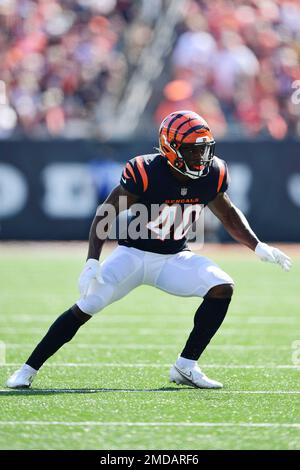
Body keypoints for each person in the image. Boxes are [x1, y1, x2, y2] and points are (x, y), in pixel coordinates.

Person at [6, 110, 291, 390]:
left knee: (222, 286)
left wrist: (257, 245)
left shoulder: (213, 173)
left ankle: (185, 365)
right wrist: (92, 260)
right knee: (88, 305)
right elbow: (106, 214)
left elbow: (227, 214)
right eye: (193, 151)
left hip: (175, 258)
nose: (201, 158)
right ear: (171, 149)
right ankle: (26, 370)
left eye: (204, 150)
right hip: (132, 256)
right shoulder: (145, 171)